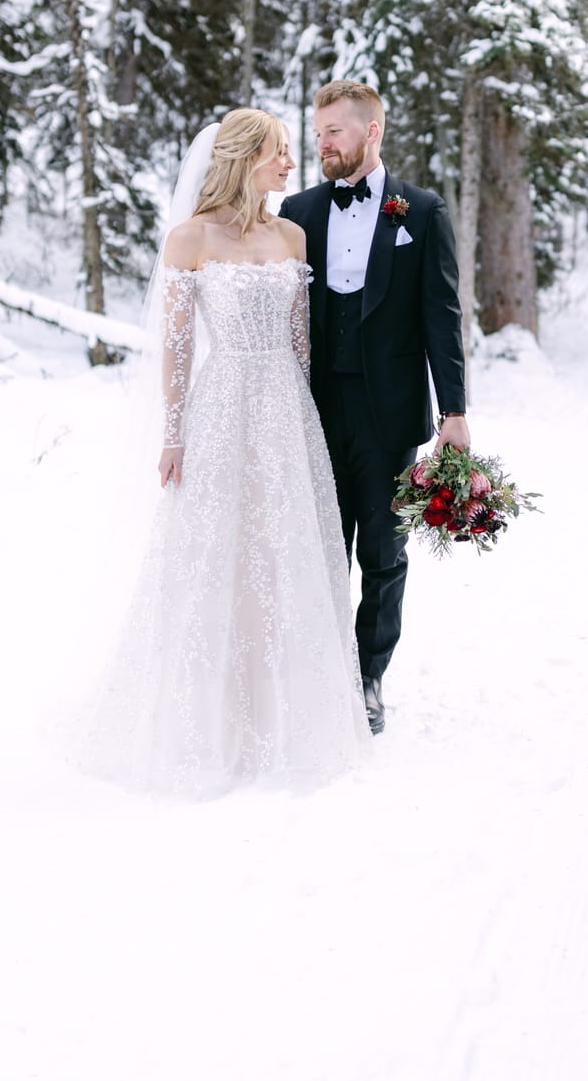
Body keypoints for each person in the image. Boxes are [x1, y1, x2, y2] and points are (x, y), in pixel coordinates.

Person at [79, 107, 371, 796]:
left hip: (284, 408)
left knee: (283, 549)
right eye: (280, 152)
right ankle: (205, 716)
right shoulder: (190, 239)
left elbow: (301, 344)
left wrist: (306, 426)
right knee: (216, 550)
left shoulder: (293, 236)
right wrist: (174, 435)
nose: (291, 165)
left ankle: (287, 711)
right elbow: (178, 347)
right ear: (245, 157)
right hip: (220, 406)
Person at [279, 80, 469, 735]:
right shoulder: (297, 210)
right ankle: (319, 672)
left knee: (383, 555)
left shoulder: (418, 211)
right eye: (318, 132)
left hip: (389, 415)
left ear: (371, 131)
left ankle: (367, 677)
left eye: (334, 130)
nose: (322, 143)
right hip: (311, 409)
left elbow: (441, 316)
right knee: (319, 547)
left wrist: (455, 411)